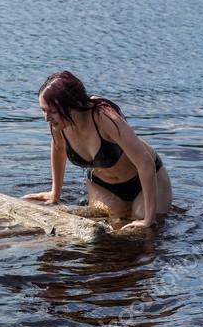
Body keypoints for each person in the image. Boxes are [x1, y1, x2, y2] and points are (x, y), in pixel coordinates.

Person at [24, 71, 171, 230]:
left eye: (52, 111)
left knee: (141, 226)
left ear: (72, 105)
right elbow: (59, 150)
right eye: (43, 110)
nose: (46, 118)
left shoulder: (104, 116)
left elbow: (145, 163)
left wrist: (148, 219)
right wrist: (55, 193)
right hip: (102, 184)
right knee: (110, 226)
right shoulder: (58, 124)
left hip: (146, 178)